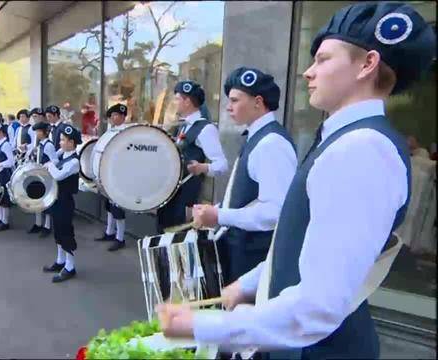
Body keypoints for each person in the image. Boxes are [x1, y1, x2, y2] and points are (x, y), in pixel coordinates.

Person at [157, 4, 435, 360]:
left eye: (322, 59)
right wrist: (247, 285)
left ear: (367, 64)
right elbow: (298, 242)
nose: (307, 72)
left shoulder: (362, 148)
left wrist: (199, 326)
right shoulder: (346, 139)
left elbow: (318, 306)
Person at [192, 67, 298, 287]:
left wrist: (220, 216)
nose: (228, 107)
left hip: (252, 257)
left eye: (235, 100)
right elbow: (251, 196)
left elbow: (275, 212)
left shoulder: (271, 144)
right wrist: (217, 208)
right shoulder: (258, 137)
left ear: (257, 102)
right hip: (242, 252)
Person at [156, 81, 228, 233]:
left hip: (186, 195)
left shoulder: (205, 129)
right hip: (171, 194)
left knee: (178, 239)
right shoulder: (183, 125)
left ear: (187, 101)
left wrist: (203, 167)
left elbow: (222, 164)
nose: (174, 103)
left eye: (177, 99)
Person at [42, 124, 82, 283]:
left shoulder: (74, 161)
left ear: (72, 142)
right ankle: (60, 261)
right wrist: (51, 161)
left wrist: (51, 165)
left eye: (63, 140)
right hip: (56, 198)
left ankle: (70, 267)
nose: (60, 143)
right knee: (58, 231)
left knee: (66, 232)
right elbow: (52, 160)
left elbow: (58, 175)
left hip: (65, 200)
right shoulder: (63, 154)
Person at [94, 103, 129, 251]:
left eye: (115, 115)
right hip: (108, 173)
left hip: (120, 174)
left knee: (118, 207)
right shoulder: (111, 132)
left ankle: (120, 238)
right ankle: (110, 231)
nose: (112, 118)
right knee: (109, 205)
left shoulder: (126, 133)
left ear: (122, 116)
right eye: (111, 116)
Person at [27, 121, 58, 237]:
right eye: (36, 131)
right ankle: (38, 224)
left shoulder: (48, 145)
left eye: (39, 131)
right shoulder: (40, 145)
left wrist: (46, 165)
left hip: (46, 176)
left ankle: (47, 226)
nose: (37, 134)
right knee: (37, 200)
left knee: (46, 202)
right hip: (39, 175)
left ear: (45, 132)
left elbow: (55, 161)